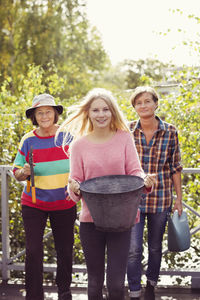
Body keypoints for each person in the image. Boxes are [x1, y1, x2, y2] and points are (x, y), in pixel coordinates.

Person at [57, 88, 156, 300]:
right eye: (96, 110)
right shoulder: (78, 145)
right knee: (93, 283)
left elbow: (134, 171)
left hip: (122, 220)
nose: (101, 114)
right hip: (90, 222)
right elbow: (74, 182)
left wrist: (145, 180)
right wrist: (73, 187)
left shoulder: (124, 138)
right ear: (88, 113)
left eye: (105, 109)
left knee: (116, 284)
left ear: (112, 112)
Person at [13, 94, 76, 300]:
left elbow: (81, 163)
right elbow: (16, 172)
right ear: (34, 116)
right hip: (34, 203)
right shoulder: (28, 139)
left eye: (48, 111)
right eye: (40, 112)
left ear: (56, 113)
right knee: (32, 251)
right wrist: (24, 172)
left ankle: (64, 292)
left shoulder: (68, 136)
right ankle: (33, 295)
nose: (45, 116)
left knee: (65, 250)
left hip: (65, 202)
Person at [127, 86, 183, 300]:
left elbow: (175, 167)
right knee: (133, 248)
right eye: (138, 102)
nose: (143, 105)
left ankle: (151, 284)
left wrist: (179, 199)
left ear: (156, 103)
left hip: (161, 199)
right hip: (133, 198)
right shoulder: (127, 130)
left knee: (155, 247)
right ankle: (134, 289)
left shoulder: (170, 131)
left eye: (147, 101)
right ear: (134, 107)